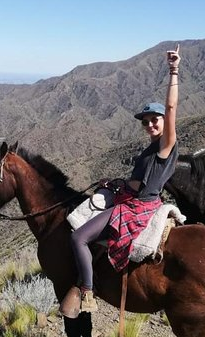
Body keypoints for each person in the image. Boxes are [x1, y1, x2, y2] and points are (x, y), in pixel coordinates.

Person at [69, 45, 181, 312]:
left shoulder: (166, 144)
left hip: (135, 207)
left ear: (165, 121)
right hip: (132, 197)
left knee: (78, 238)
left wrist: (173, 70)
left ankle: (87, 291)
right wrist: (120, 183)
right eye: (146, 122)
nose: (150, 124)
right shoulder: (152, 147)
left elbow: (172, 106)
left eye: (155, 120)